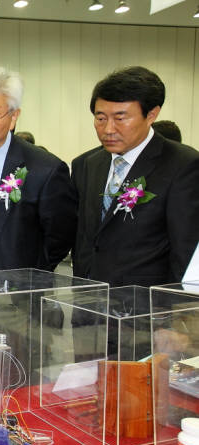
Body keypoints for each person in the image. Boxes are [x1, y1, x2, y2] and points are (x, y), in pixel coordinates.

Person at [72, 66, 199, 286]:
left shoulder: (182, 165)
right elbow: (84, 239)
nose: (108, 129)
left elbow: (185, 250)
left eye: (120, 118)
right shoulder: (87, 164)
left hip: (146, 308)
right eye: (100, 118)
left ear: (151, 114)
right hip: (88, 303)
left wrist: (170, 311)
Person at [0, 67, 76, 274]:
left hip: (16, 293)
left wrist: (30, 277)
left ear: (13, 117)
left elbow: (60, 237)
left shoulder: (44, 169)